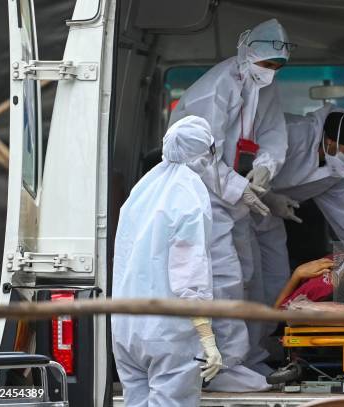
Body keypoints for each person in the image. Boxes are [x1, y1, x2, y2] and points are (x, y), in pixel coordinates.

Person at [168, 19, 294, 391]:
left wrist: (265, 170)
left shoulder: (262, 85)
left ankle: (249, 355)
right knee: (223, 279)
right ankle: (224, 364)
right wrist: (238, 186)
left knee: (248, 275)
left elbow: (273, 133)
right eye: (266, 64)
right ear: (246, 52)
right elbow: (200, 156)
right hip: (204, 197)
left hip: (231, 198)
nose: (270, 73)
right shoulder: (216, 88)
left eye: (276, 67)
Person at [244, 105, 344, 373]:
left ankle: (260, 351)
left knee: (273, 279)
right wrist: (268, 196)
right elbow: (238, 167)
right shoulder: (293, 134)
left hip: (268, 218)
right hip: (235, 210)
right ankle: (240, 357)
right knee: (244, 280)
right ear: (330, 141)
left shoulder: (333, 173)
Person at [111, 116, 223, 406]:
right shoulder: (189, 195)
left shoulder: (143, 190)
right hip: (167, 334)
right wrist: (207, 337)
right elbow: (190, 275)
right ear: (203, 154)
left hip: (126, 330)